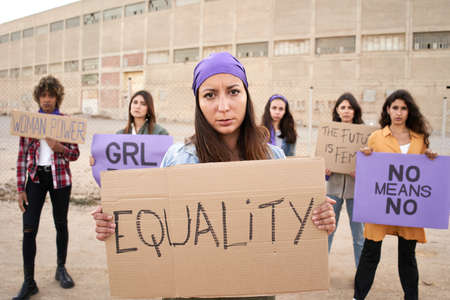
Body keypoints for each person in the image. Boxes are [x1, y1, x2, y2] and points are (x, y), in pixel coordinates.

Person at [92, 52, 336, 299]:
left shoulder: (273, 158)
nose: (223, 106)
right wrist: (114, 224)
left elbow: (286, 232)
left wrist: (317, 220)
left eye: (233, 91)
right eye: (210, 95)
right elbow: (151, 227)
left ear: (246, 95)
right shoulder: (178, 158)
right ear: (198, 102)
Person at [353, 89, 438, 300]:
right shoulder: (376, 137)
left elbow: (424, 174)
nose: (399, 112)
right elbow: (367, 172)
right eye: (395, 108)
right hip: (381, 205)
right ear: (388, 110)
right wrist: (365, 157)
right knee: (370, 253)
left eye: (403, 108)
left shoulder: (420, 139)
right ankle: (358, 297)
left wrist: (430, 159)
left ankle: (411, 297)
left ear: (409, 111)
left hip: (408, 207)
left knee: (407, 256)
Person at [13, 75, 80, 300]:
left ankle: (61, 269)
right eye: (43, 95)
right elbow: (22, 155)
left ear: (57, 97)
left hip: (60, 179)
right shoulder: (29, 122)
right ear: (38, 98)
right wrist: (20, 188)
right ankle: (29, 281)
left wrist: (59, 147)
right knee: (29, 228)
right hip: (34, 179)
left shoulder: (66, 122)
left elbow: (75, 155)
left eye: (51, 95)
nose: (47, 99)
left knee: (61, 224)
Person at [325, 93, 365, 267]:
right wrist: (325, 171)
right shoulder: (329, 133)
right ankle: (320, 269)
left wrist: (362, 173)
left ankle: (361, 273)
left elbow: (372, 164)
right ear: (337, 110)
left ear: (355, 110)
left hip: (356, 191)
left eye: (350, 107)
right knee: (327, 232)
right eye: (343, 107)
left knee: (359, 235)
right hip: (333, 189)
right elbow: (321, 162)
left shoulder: (365, 134)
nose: (346, 111)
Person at [89, 89, 169, 166]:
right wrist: (97, 161)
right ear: (130, 106)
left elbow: (167, 160)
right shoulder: (120, 134)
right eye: (135, 102)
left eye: (143, 104)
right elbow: (112, 159)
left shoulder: (160, 133)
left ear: (148, 109)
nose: (137, 106)